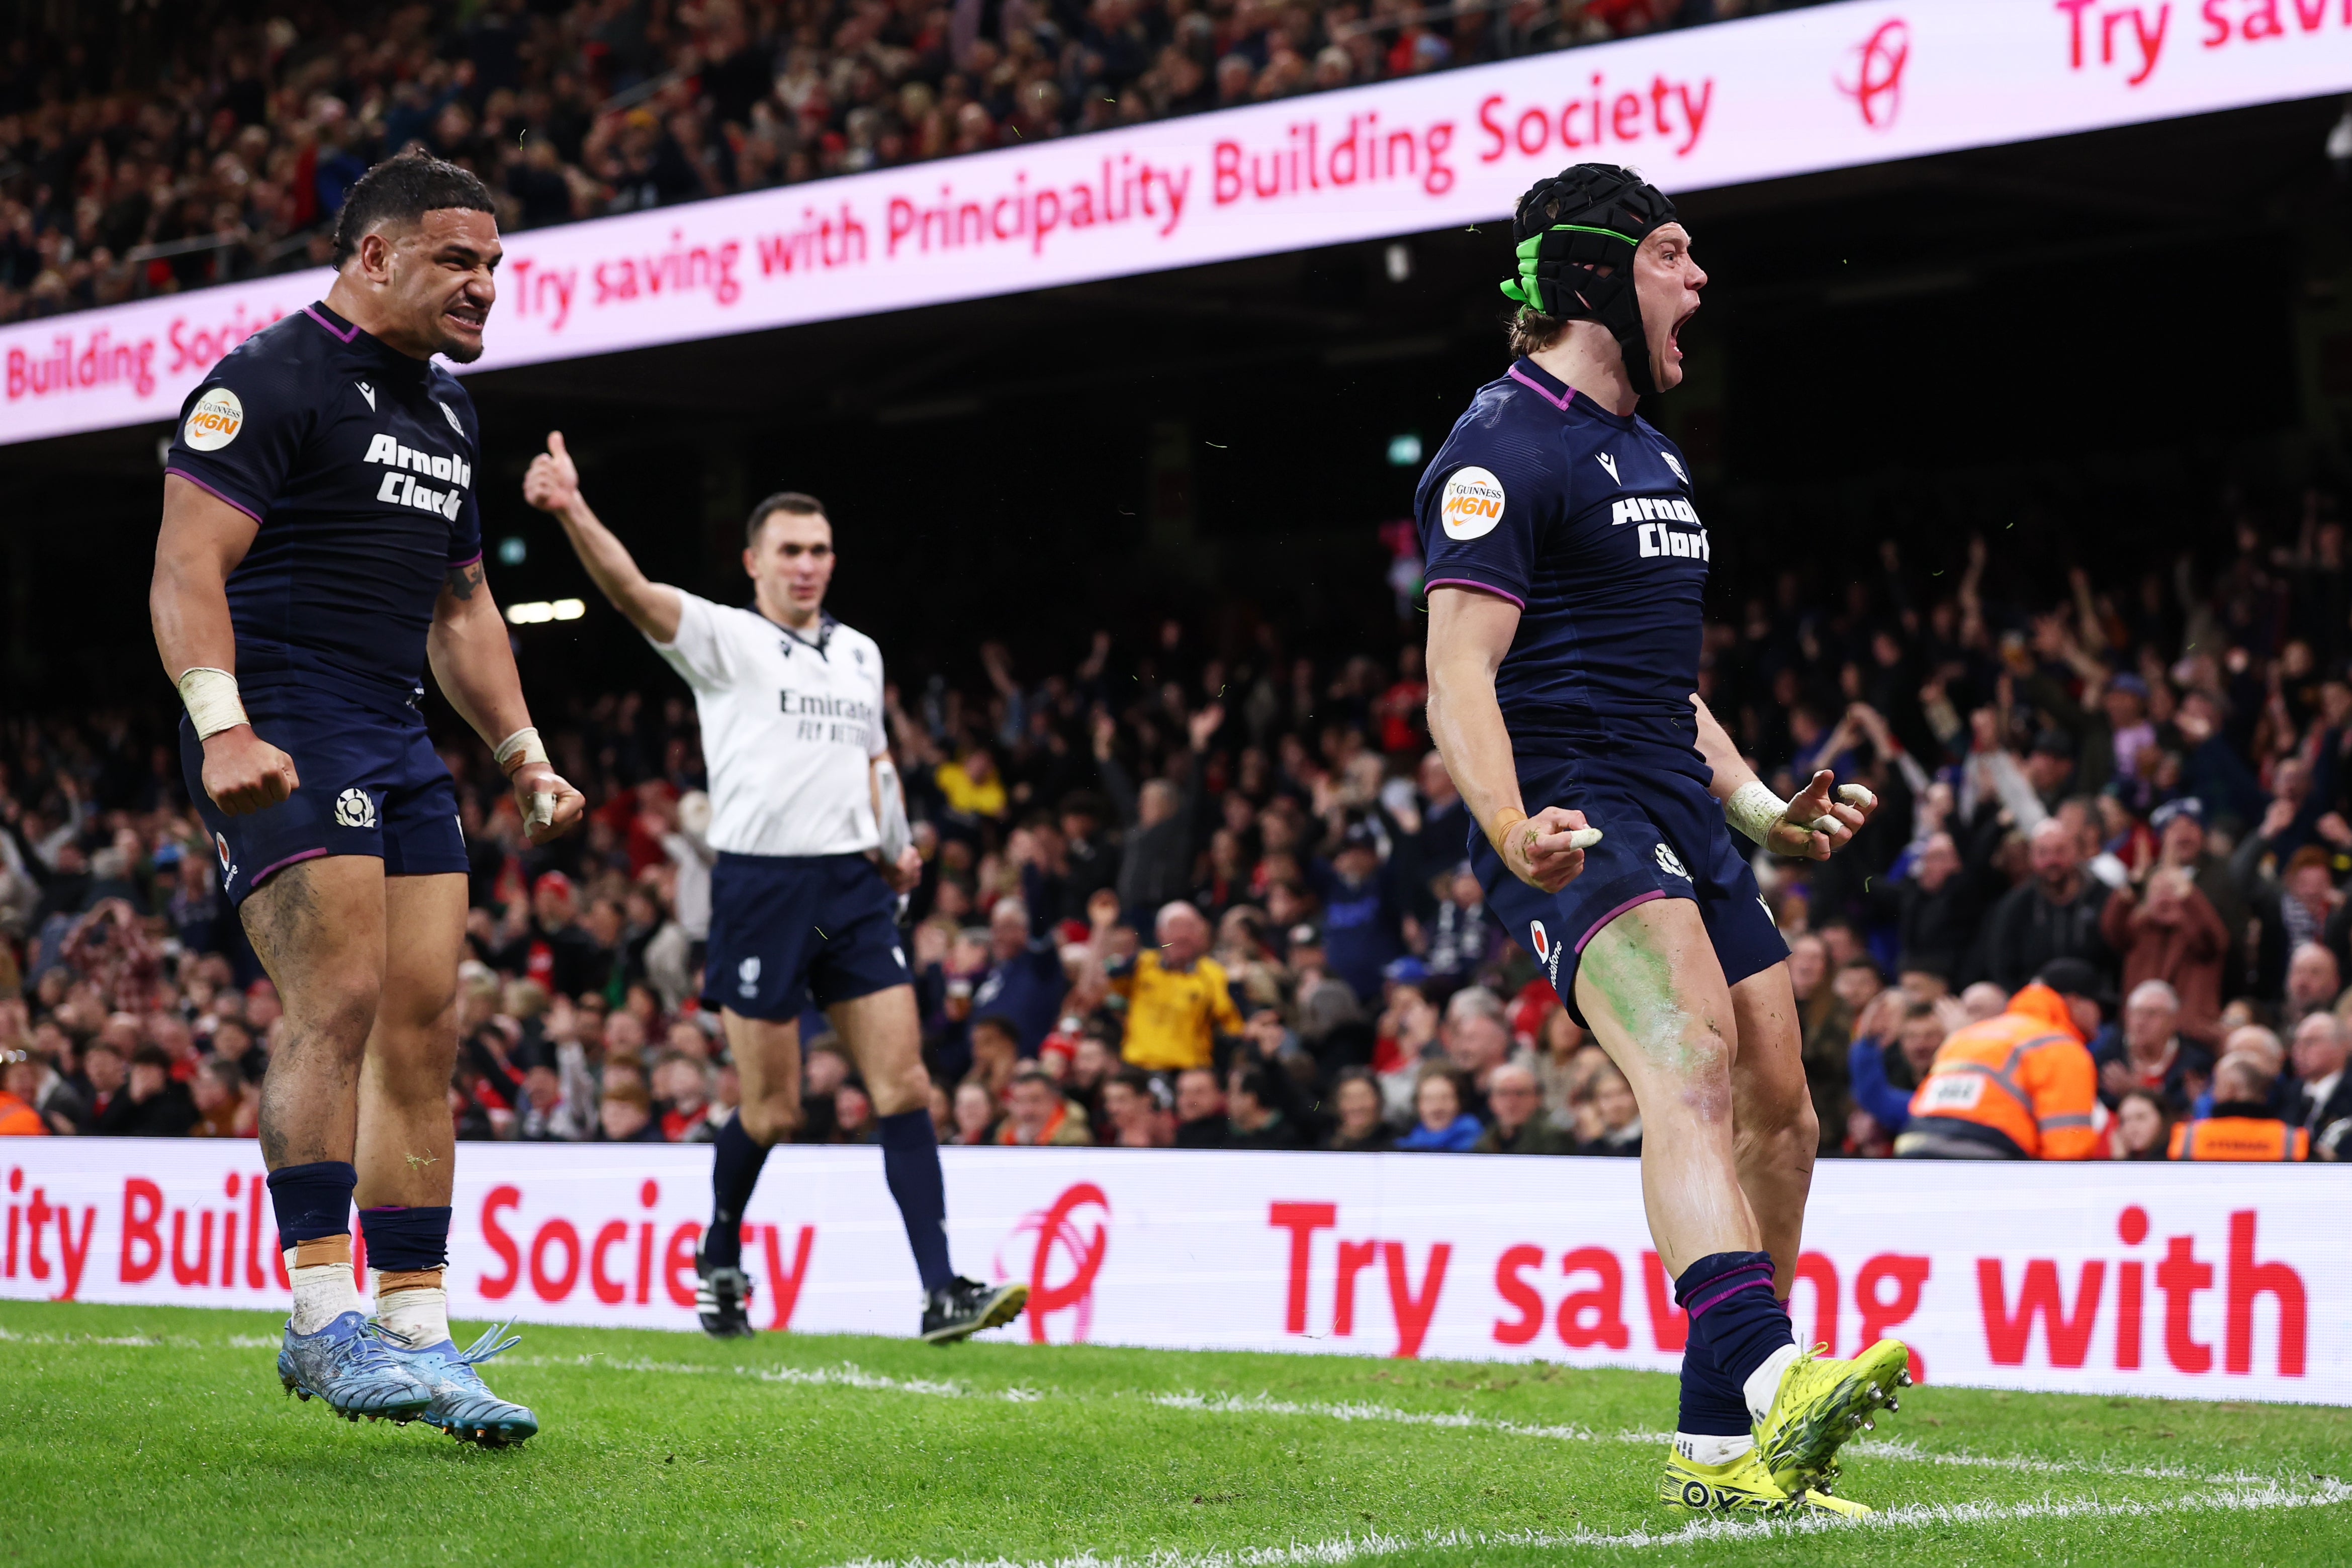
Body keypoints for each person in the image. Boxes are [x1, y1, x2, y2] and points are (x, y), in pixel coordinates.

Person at [1418, 163, 1898, 1518]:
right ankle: (1769, 1370)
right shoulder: (1497, 443)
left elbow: (1662, 682)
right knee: (1683, 1057)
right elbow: (1457, 671)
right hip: (1572, 804)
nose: (1697, 280)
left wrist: (1754, 805)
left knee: (1781, 1110)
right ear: (1592, 279)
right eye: (1672, 255)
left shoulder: (1650, 451)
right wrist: (1510, 824)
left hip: (1674, 800)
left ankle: (1717, 1455)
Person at [147, 150, 577, 1444]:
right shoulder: (268, 377)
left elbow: (461, 605)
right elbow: (184, 566)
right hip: (280, 722)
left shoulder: (449, 413)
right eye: (458, 260)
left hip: (392, 734)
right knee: (333, 999)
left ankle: (416, 1325)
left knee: (427, 1022)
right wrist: (221, 726)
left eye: (496, 264)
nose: (485, 286)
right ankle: (318, 1314)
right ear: (374, 255)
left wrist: (522, 752)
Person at [526, 440, 1025, 1346]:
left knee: (905, 1082)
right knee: (774, 1109)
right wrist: (570, 508)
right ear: (754, 560)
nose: (806, 564)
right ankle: (719, 1253)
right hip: (760, 886)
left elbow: (874, 759)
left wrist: (898, 846)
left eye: (819, 549)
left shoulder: (861, 655)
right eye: (789, 549)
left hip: (854, 882)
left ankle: (940, 1288)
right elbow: (634, 591)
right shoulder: (727, 639)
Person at [1896, 959, 2104, 1161]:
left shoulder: (1970, 1035)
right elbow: (2067, 1147)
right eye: (2099, 1005)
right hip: (1984, 1154)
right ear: (2075, 1002)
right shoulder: (2061, 1047)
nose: (2101, 1017)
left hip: (1914, 1148)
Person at [2168, 1053, 2308, 1160]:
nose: (2212, 1092)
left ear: (2230, 1089)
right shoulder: (2292, 1139)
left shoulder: (2187, 1137)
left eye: (2216, 1084)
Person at [1475, 1061, 1575, 1154]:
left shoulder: (1555, 1138)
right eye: (1503, 1093)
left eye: (1520, 1093)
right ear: (1491, 1101)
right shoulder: (1483, 1142)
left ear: (1537, 1098)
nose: (1512, 1101)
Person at [2290, 1012, 2352, 1157]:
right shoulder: (2286, 1094)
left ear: (2342, 1046)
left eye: (2310, 1042)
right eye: (2297, 1042)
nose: (2300, 1050)